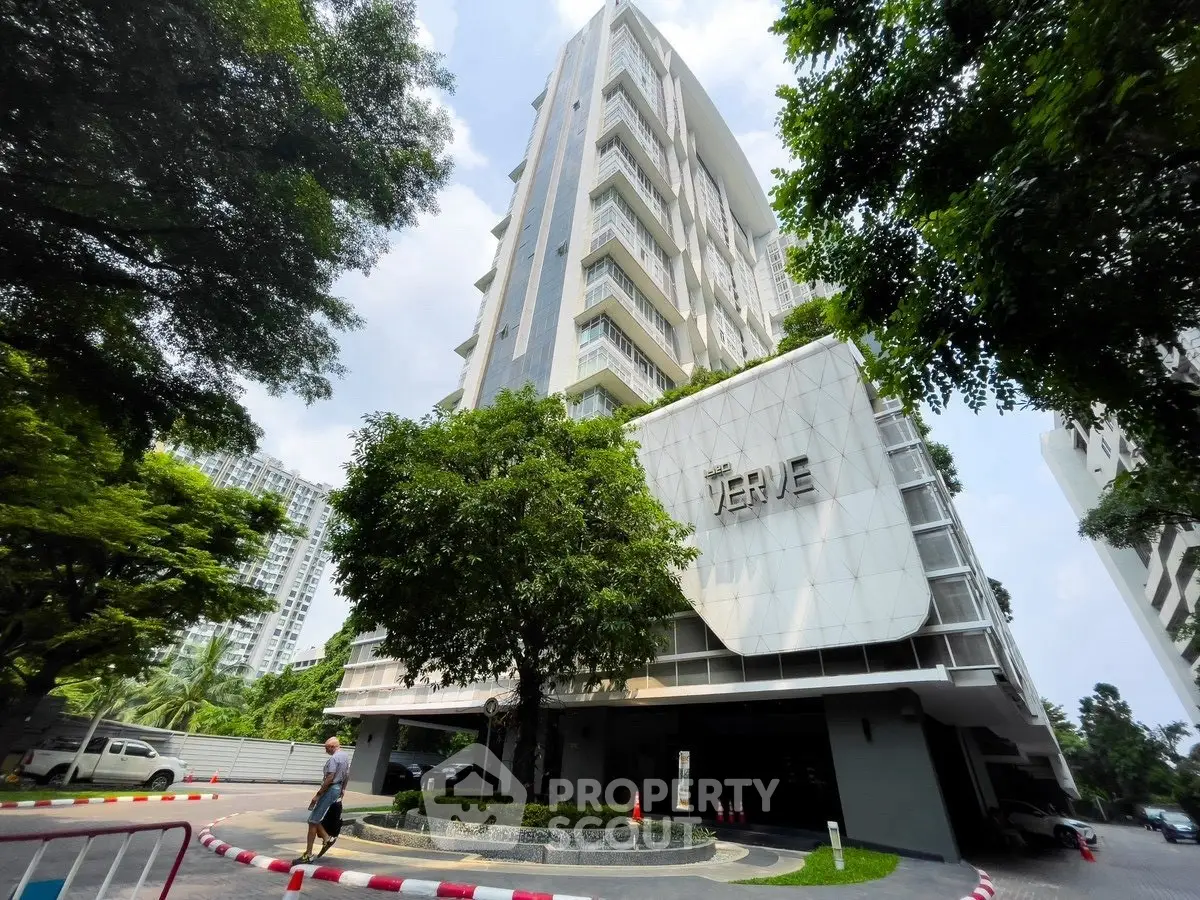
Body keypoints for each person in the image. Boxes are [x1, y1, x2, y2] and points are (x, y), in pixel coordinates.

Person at [296, 737, 350, 864]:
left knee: (312, 820)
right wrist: (343, 788)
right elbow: (347, 774)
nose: (325, 750)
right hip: (337, 788)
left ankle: (309, 855)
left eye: (326, 748)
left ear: (332, 746)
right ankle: (327, 838)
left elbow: (330, 777)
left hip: (330, 789)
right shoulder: (345, 756)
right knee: (314, 818)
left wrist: (318, 794)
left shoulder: (334, 759)